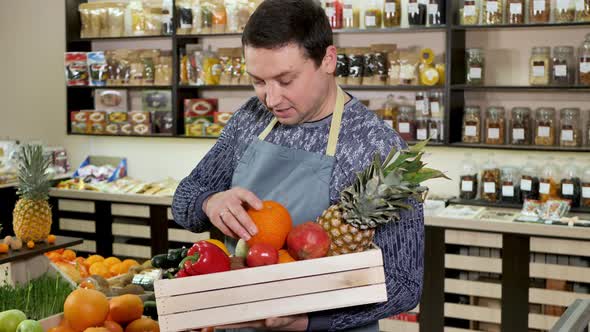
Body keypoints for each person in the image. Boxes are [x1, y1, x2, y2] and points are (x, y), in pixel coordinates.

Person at [172, 0, 424, 330]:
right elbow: (183, 201)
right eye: (258, 81)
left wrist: (307, 321)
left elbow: (404, 284)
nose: (271, 99)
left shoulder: (376, 146)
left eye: (286, 80)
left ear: (328, 60)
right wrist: (210, 202)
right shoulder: (250, 119)